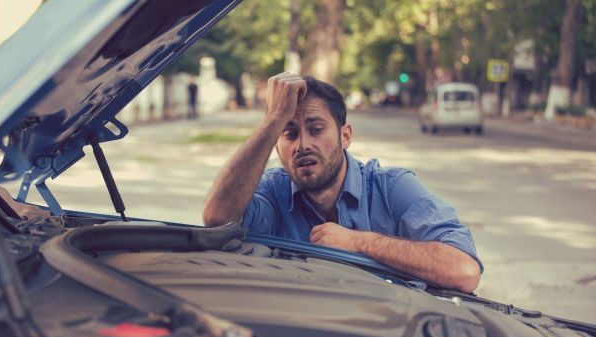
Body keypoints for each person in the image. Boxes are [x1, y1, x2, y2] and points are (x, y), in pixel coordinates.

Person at [202, 72, 482, 292]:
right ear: (276, 146)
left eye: (316, 129)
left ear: (345, 136)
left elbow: (463, 271)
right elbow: (217, 218)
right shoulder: (271, 192)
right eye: (289, 133)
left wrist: (360, 242)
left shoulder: (392, 187)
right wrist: (274, 119)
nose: (303, 145)